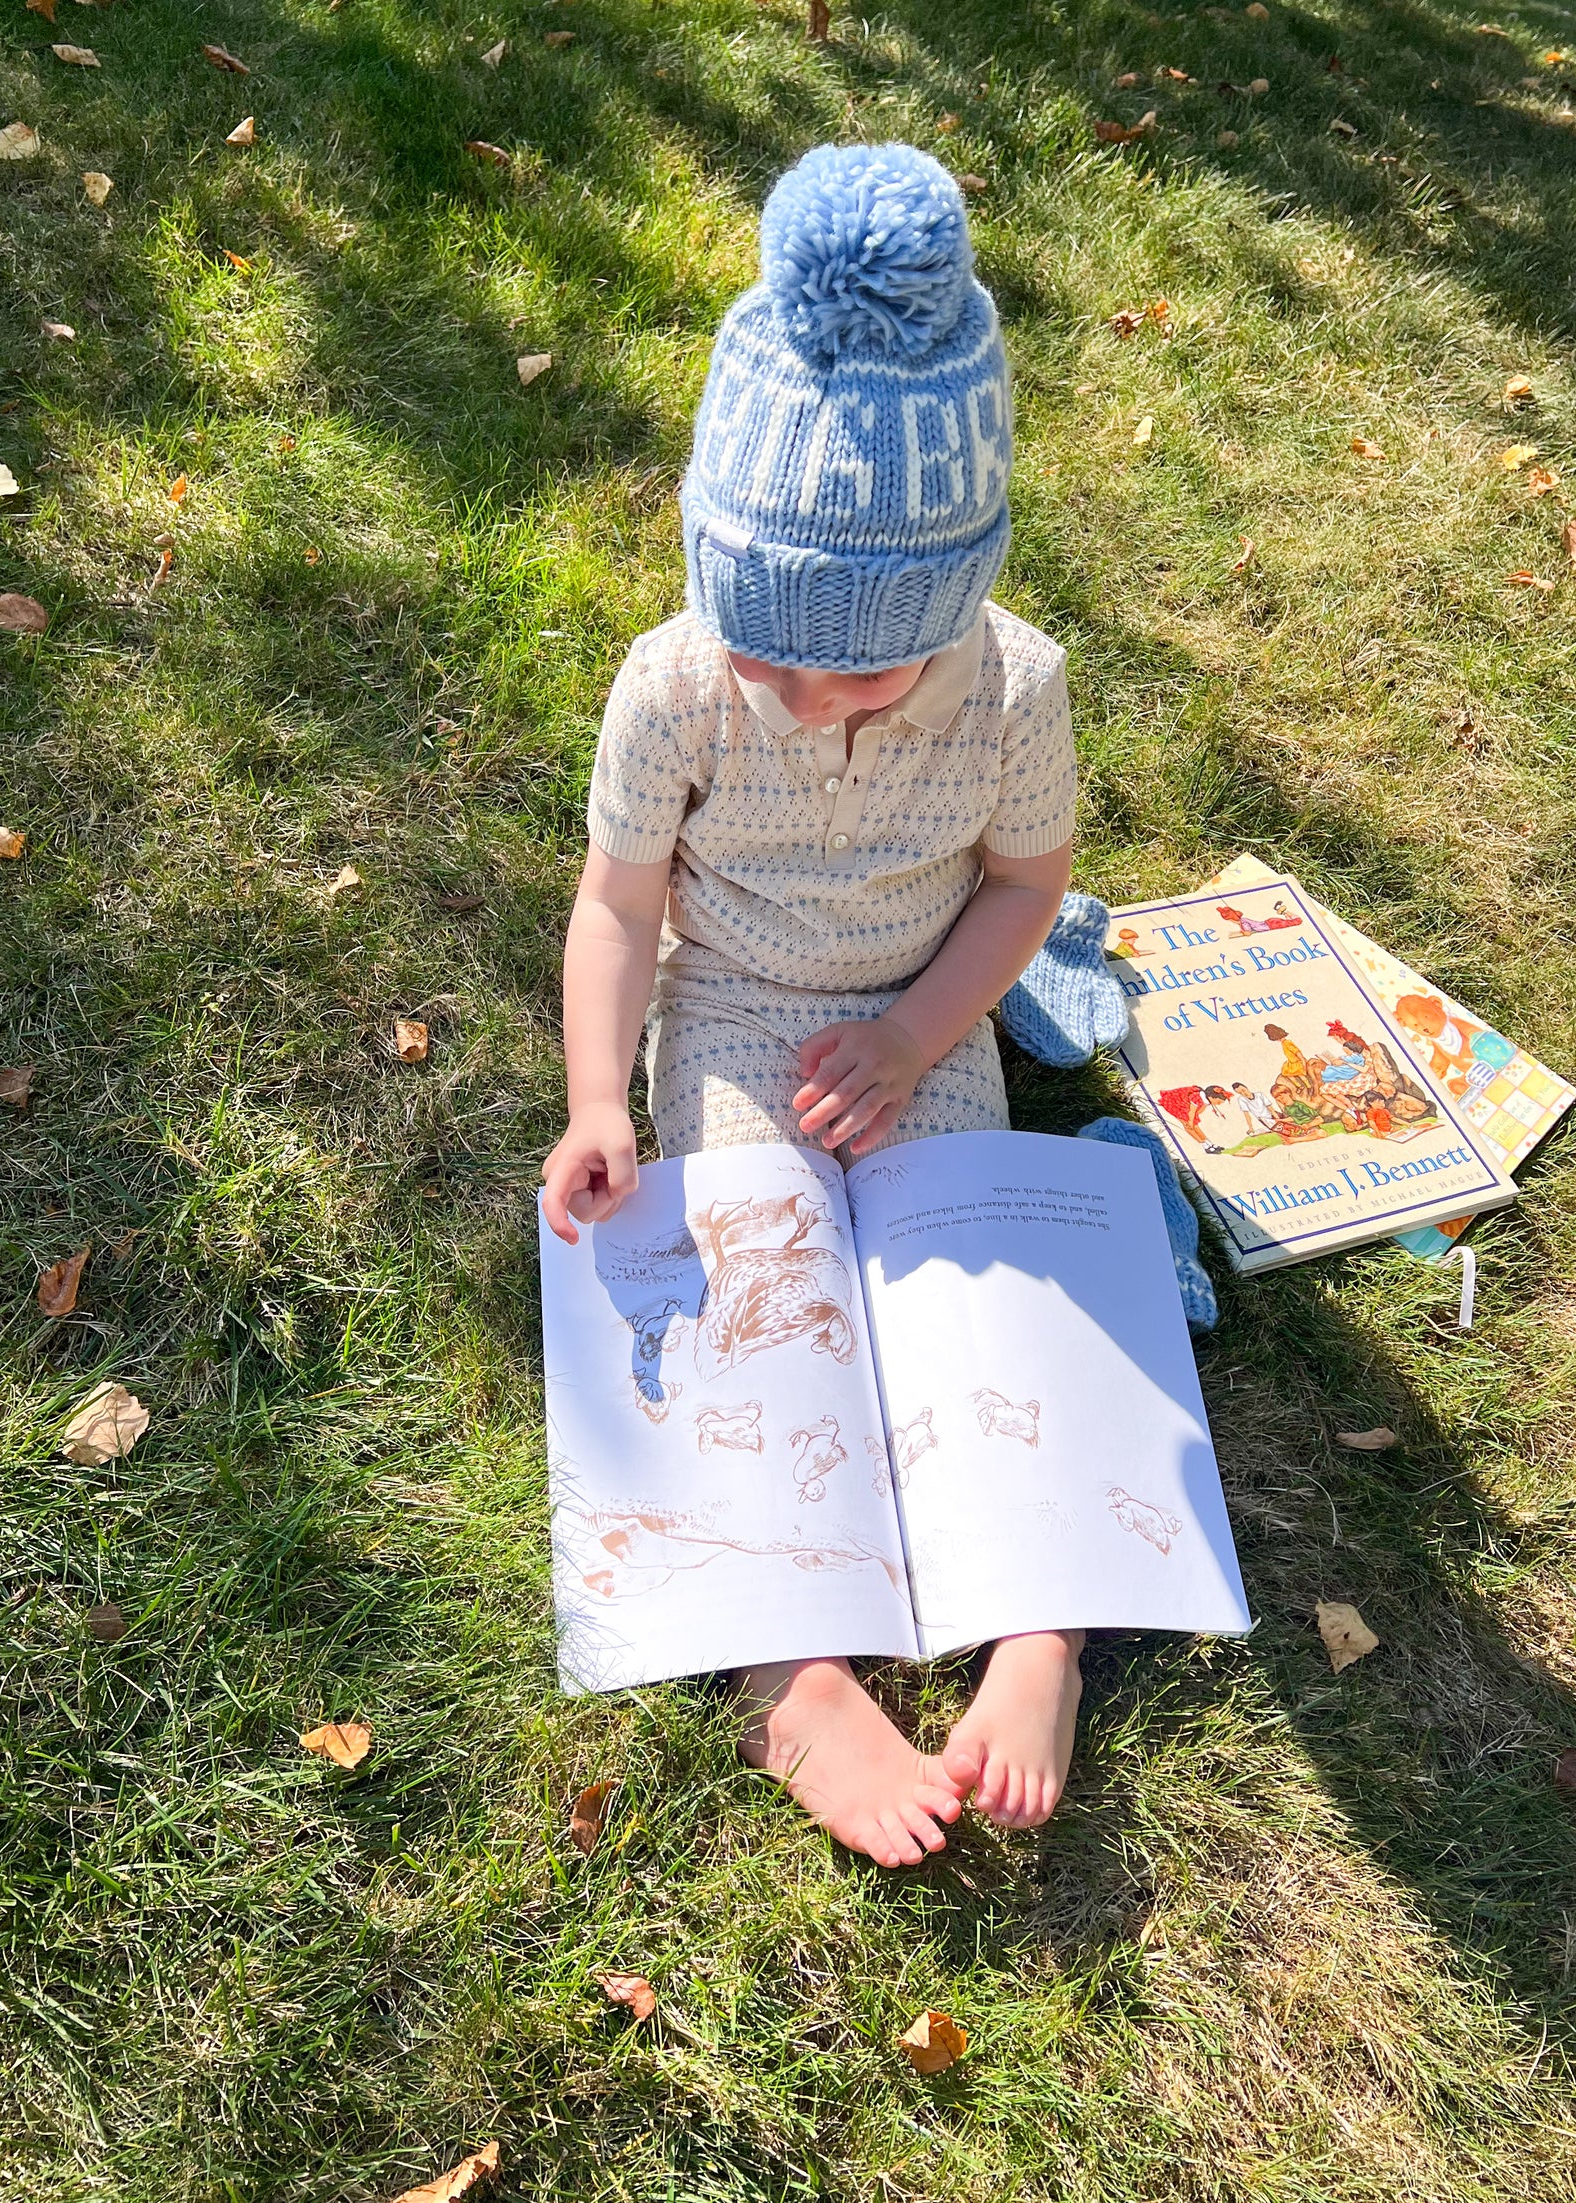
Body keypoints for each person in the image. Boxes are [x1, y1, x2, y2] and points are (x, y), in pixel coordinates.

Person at [539, 145, 1081, 1870]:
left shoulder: (1016, 685)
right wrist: (604, 1100)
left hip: (918, 1011)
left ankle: (1038, 1630)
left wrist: (925, 1034)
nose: (798, 690)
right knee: (750, 1293)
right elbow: (621, 903)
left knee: (968, 1295)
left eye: (853, 664)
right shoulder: (678, 681)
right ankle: (798, 1671)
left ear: (949, 606)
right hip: (736, 1023)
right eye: (762, 642)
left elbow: (1022, 888)